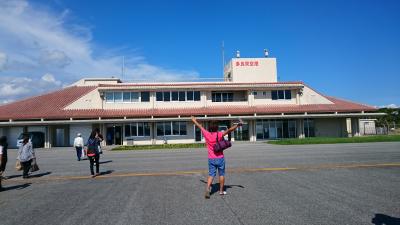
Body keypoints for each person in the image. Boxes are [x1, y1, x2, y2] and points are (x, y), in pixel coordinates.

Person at [191, 116, 242, 198]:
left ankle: (208, 188)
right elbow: (229, 130)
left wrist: (194, 120)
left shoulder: (207, 134)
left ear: (210, 128)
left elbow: (200, 126)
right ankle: (221, 191)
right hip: (220, 158)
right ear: (217, 128)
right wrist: (237, 126)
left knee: (211, 175)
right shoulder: (220, 134)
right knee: (221, 174)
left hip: (211, 158)